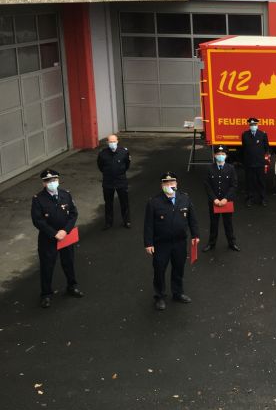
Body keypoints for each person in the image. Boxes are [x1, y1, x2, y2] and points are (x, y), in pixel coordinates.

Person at [143, 172, 200, 311]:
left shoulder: (184, 198)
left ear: (176, 184)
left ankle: (178, 293)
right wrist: (148, 243)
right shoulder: (154, 202)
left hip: (180, 242)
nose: (169, 186)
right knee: (159, 270)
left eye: (172, 183)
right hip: (161, 244)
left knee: (178, 268)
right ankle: (160, 296)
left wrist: (195, 235)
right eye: (166, 184)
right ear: (162, 185)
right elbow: (148, 225)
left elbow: (192, 219)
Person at [30, 169, 83, 308]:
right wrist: (54, 233)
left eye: (54, 180)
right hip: (48, 238)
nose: (52, 183)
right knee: (47, 266)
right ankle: (46, 294)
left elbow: (73, 213)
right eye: (48, 181)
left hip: (66, 236)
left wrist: (65, 231)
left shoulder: (66, 195)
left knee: (69, 262)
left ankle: (72, 286)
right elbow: (37, 220)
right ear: (43, 183)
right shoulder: (38, 199)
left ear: (58, 180)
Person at [203, 145, 240, 252]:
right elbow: (207, 185)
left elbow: (234, 185)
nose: (220, 156)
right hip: (214, 201)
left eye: (223, 154)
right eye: (218, 154)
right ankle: (211, 243)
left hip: (226, 202)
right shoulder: (209, 168)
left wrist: (226, 199)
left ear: (226, 156)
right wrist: (214, 199)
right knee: (213, 223)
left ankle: (232, 243)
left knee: (228, 223)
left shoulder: (231, 168)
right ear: (214, 156)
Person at [96, 133, 131, 228]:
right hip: (108, 182)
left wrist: (120, 172)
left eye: (114, 141)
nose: (112, 143)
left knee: (124, 202)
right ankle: (108, 223)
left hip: (121, 181)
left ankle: (126, 221)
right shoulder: (102, 153)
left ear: (117, 141)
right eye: (110, 142)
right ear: (107, 142)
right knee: (108, 203)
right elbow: (100, 166)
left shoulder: (124, 152)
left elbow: (127, 165)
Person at [241, 117, 270, 207]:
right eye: (251, 125)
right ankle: (250, 199)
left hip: (260, 163)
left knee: (261, 182)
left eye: (254, 125)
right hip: (249, 163)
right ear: (249, 125)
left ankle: (263, 199)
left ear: (257, 125)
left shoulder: (263, 134)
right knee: (249, 182)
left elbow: (266, 148)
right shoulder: (245, 134)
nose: (253, 126)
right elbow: (244, 148)